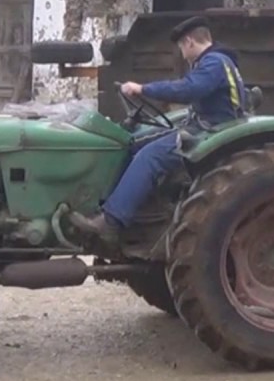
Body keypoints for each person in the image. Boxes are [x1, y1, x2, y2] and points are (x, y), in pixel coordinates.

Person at [69, 15, 249, 241]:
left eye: (182, 47)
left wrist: (143, 89)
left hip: (212, 129)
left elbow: (187, 90)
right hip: (205, 124)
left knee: (150, 156)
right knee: (132, 144)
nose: (182, 54)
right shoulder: (217, 61)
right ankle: (116, 205)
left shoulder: (213, 63)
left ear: (189, 42)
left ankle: (112, 221)